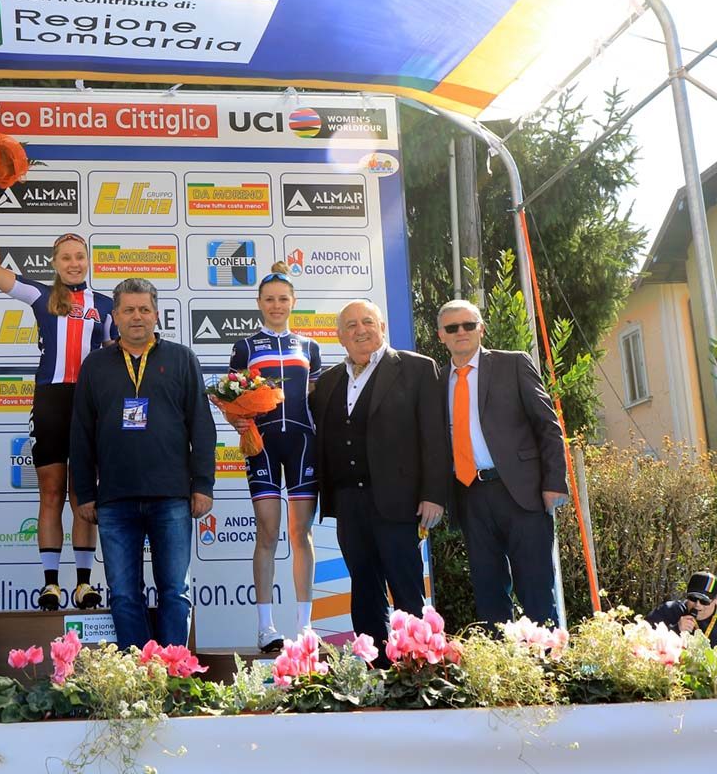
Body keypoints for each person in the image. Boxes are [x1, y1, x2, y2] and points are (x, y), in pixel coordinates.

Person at [0, 204, 116, 611]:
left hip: (90, 405)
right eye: (66, 257)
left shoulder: (107, 304)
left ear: (88, 261)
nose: (74, 263)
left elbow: (117, 355)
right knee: (51, 492)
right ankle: (51, 584)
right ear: (54, 263)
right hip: (51, 401)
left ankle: (84, 585)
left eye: (80, 256)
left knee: (84, 495)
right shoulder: (41, 295)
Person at [70, 278, 216, 649]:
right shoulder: (95, 365)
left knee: (175, 591)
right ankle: (136, 675)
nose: (137, 317)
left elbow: (202, 426)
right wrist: (85, 492)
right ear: (115, 316)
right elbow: (81, 433)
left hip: (171, 496)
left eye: (144, 309)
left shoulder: (182, 358)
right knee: (123, 594)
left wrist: (202, 485)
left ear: (156, 314)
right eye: (129, 310)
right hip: (114, 499)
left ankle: (174, 672)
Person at [308, 299, 447, 650]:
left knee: (407, 591)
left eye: (367, 322)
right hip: (349, 504)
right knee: (364, 590)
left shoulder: (417, 368)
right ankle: (375, 667)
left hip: (398, 502)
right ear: (340, 337)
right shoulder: (328, 381)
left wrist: (433, 494)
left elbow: (435, 436)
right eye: (351, 325)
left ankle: (417, 666)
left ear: (382, 327)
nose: (361, 330)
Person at [436, 299, 568, 627]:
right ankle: (500, 656)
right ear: (441, 335)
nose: (461, 332)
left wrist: (554, 483)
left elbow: (548, 426)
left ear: (481, 329)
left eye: (469, 325)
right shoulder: (437, 381)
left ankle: (547, 655)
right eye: (452, 327)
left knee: (536, 588)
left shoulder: (513, 364)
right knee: (488, 590)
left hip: (522, 492)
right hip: (469, 494)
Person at [220, 262, 320, 651]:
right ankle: (266, 627)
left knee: (301, 533)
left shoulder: (309, 347)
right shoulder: (245, 347)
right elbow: (229, 399)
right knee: (267, 531)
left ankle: (305, 628)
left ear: (293, 302)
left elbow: (315, 399)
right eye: (269, 300)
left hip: (302, 443)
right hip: (261, 444)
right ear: (259, 303)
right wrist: (238, 422)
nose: (276, 306)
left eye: (283, 299)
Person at [647, 572, 717, 645]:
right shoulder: (669, 610)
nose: (697, 604)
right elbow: (643, 637)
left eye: (704, 601)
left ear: (715, 600)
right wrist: (675, 629)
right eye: (692, 598)